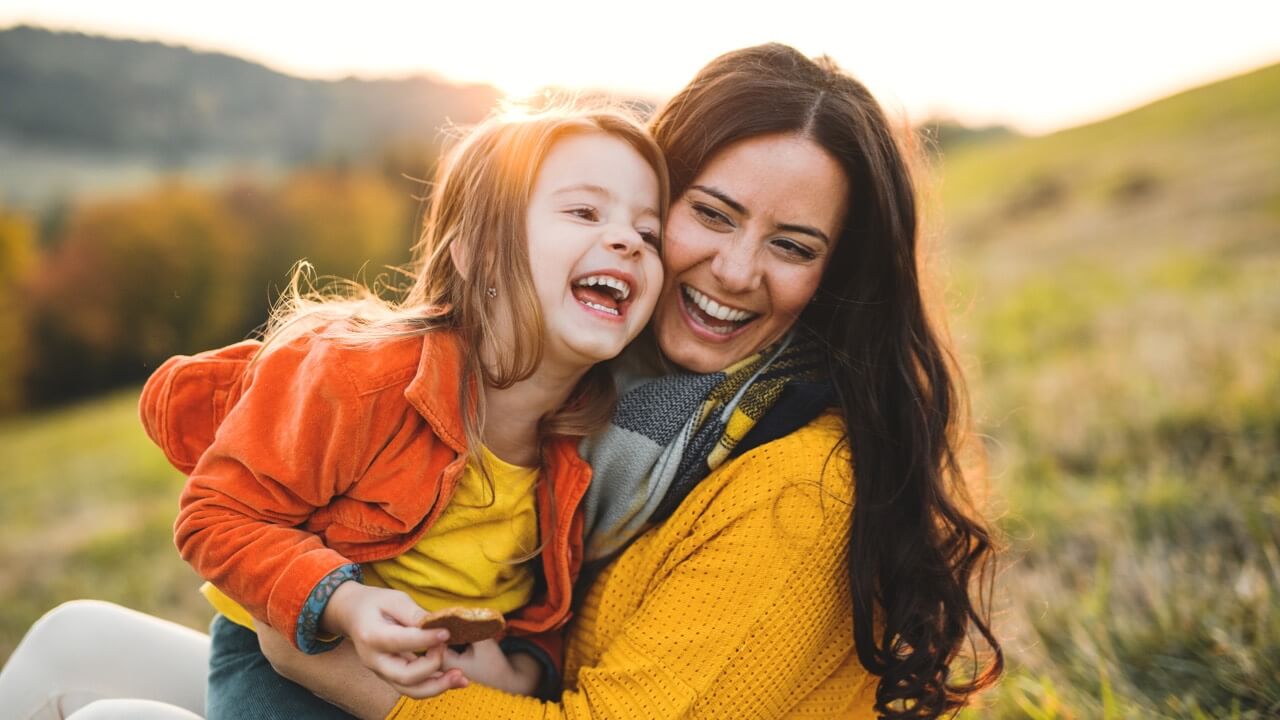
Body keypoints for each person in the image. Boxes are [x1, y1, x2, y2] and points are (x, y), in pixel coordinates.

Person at [0, 42, 1002, 719]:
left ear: (837, 275)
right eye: (707, 214)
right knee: (72, 636)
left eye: (791, 244)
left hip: (397, 689)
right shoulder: (611, 407)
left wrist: (327, 648)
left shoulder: (789, 478)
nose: (736, 271)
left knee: (116, 717)